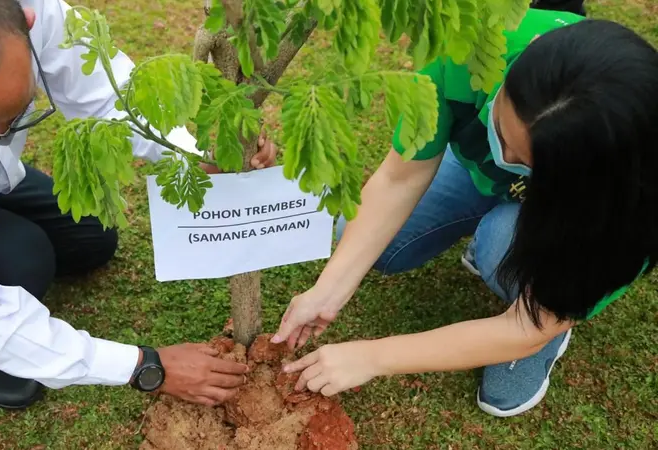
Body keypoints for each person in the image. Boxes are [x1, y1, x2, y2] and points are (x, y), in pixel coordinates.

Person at [0, 0, 277, 410]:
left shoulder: (33, 11)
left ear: (27, 23)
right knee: (24, 257)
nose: (3, 136)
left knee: (90, 237)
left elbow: (107, 98)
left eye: (16, 113)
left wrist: (192, 153)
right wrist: (144, 365)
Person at [272, 10, 658, 417]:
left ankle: (531, 293)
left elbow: (527, 328)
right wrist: (327, 292)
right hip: (480, 173)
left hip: (564, 213)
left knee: (501, 251)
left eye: (527, 162)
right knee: (367, 237)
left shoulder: (630, 200)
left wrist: (373, 357)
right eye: (501, 130)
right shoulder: (472, 50)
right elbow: (401, 178)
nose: (501, 157)